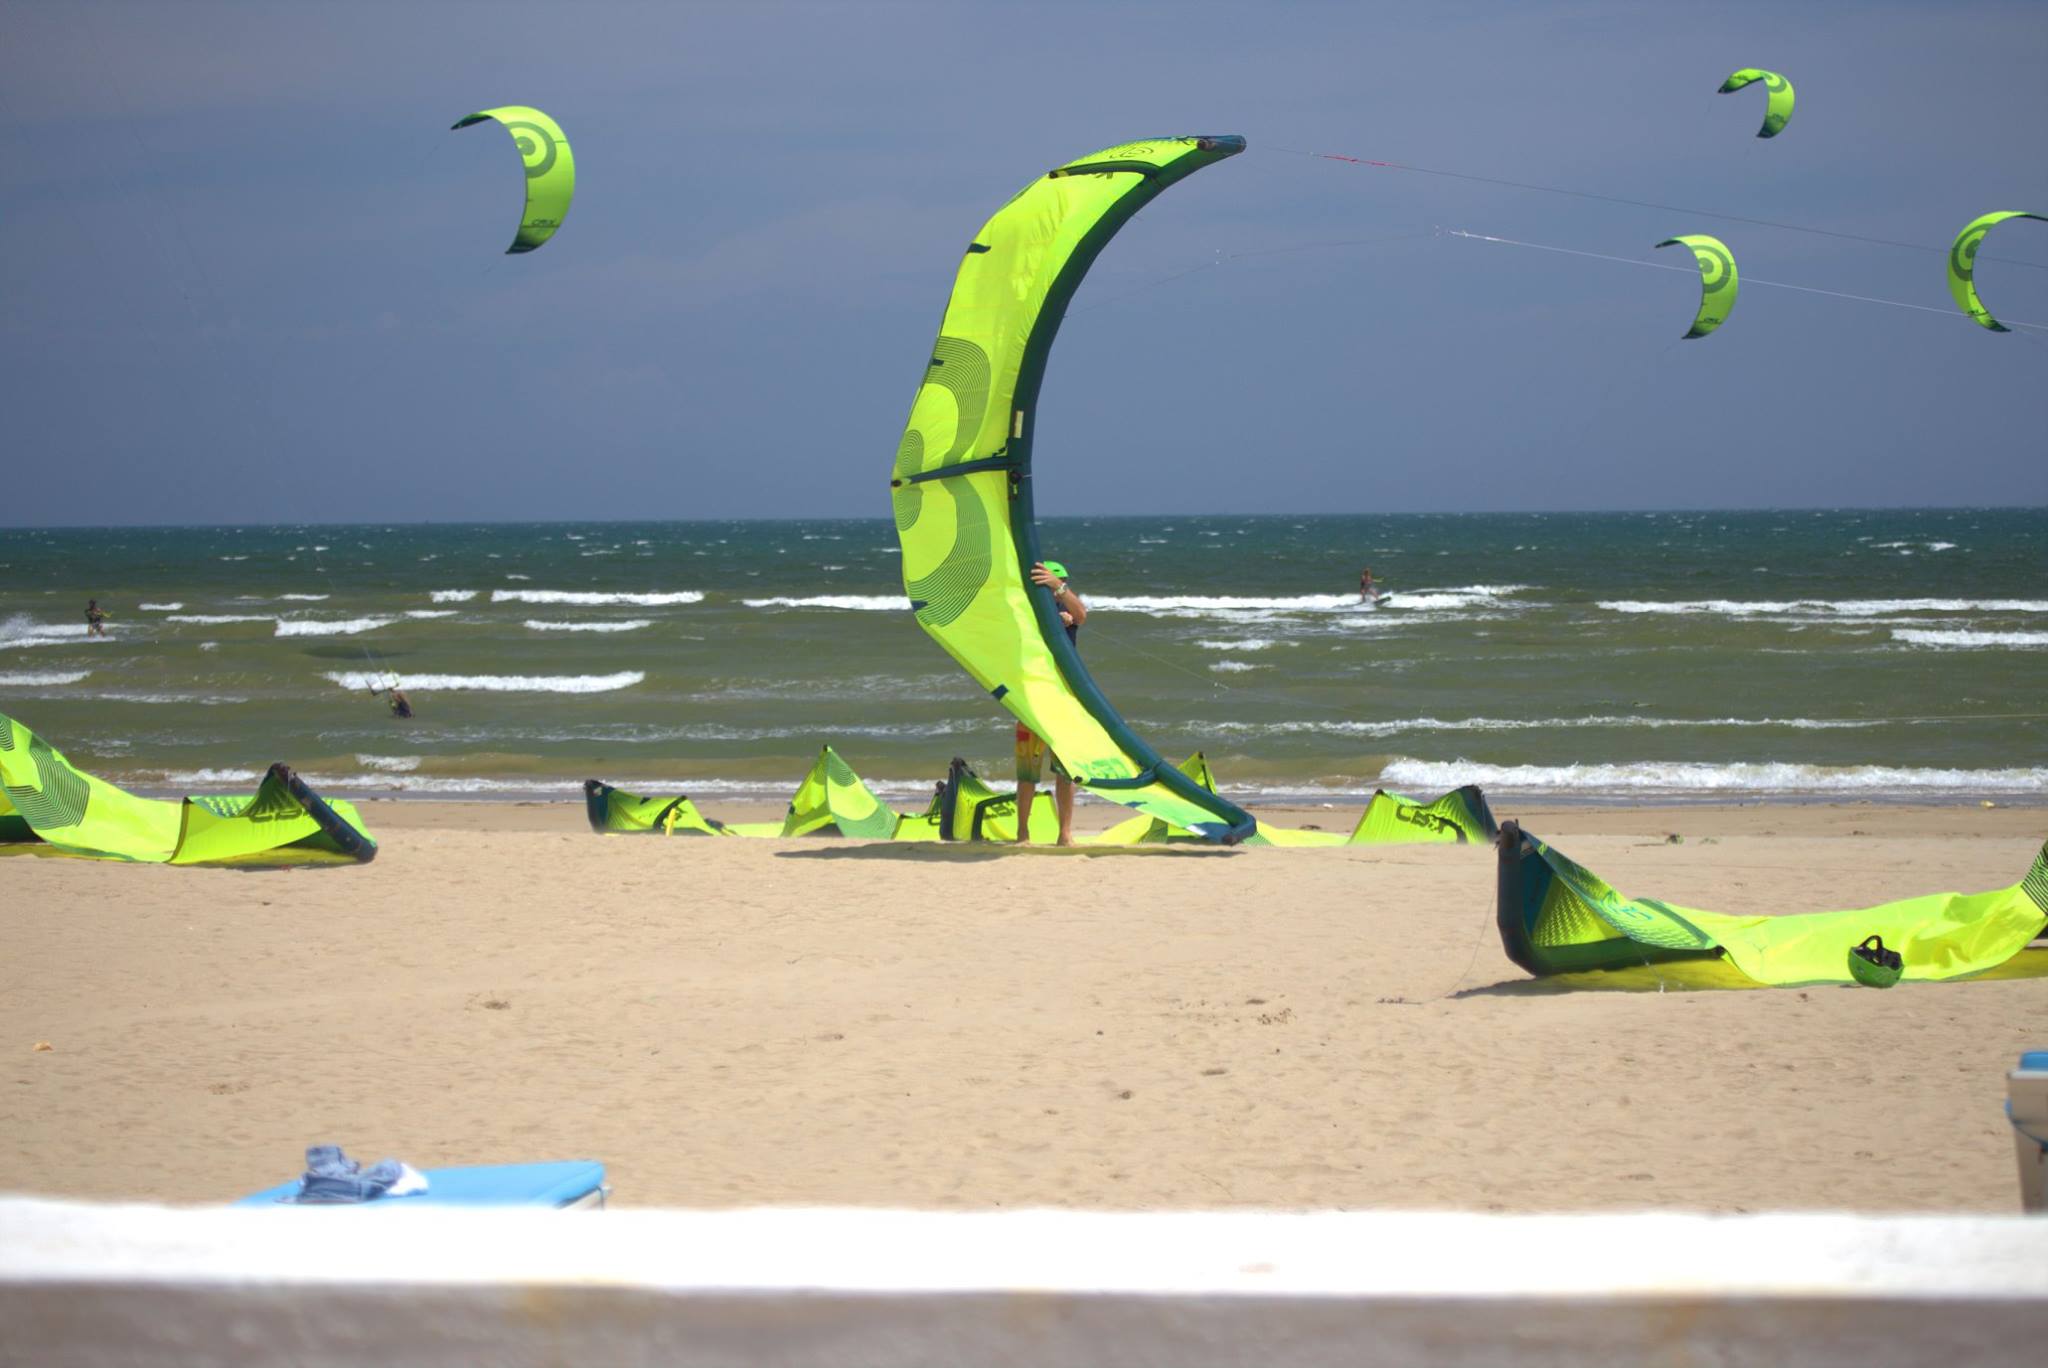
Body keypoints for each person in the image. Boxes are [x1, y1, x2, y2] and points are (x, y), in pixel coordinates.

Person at [1015, 560, 1086, 846]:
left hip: (1064, 704)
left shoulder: (1069, 610)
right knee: (1027, 773)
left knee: (1065, 773)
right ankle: (1022, 832)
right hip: (1031, 701)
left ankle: (1065, 833)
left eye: (1061, 583)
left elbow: (1081, 615)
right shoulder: (1029, 612)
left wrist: (1058, 586)